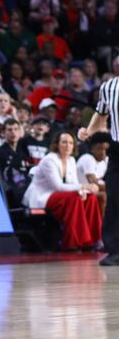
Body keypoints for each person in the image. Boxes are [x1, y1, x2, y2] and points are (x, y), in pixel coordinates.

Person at [23, 131, 101, 251]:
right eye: (64, 142)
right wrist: (84, 187)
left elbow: (74, 183)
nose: (68, 145)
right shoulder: (49, 160)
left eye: (71, 143)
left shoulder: (71, 160)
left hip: (60, 195)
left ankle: (92, 240)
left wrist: (84, 191)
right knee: (74, 197)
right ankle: (72, 242)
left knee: (91, 198)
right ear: (57, 144)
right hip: (42, 196)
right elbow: (58, 186)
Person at [79, 77, 119, 265]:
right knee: (114, 199)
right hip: (118, 148)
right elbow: (101, 114)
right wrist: (89, 131)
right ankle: (115, 251)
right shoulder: (109, 87)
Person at [0, 118, 30, 207]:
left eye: (16, 129)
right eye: (9, 130)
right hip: (8, 194)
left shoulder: (23, 152)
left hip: (24, 192)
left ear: (20, 133)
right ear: (3, 133)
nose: (13, 132)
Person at [77, 132, 110, 214]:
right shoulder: (87, 159)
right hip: (81, 192)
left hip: (92, 192)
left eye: (106, 149)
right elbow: (94, 183)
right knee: (104, 196)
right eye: (100, 149)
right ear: (92, 149)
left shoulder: (104, 162)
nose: (103, 153)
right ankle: (103, 226)